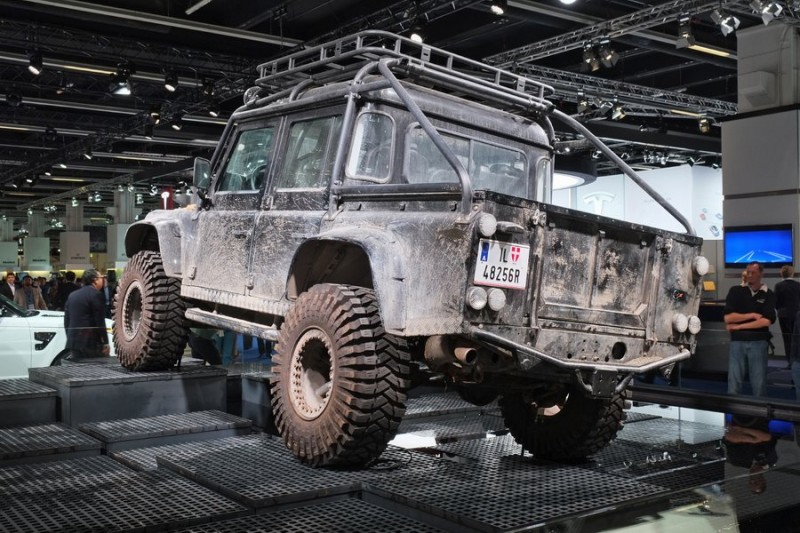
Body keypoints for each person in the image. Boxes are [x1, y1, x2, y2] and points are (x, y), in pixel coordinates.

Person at [724, 261, 777, 397]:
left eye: (753, 272)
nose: (750, 275)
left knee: (758, 382)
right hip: (737, 342)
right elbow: (728, 318)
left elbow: (766, 321)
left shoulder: (769, 294)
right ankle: (734, 410)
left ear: (761, 274)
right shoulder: (736, 291)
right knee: (734, 381)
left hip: (758, 342)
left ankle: (759, 414)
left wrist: (739, 326)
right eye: (748, 272)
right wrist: (752, 316)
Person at [63, 269, 110, 361]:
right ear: (95, 280)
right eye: (102, 277)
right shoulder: (96, 295)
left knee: (79, 372)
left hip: (74, 342)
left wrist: (70, 337)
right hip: (91, 342)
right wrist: (105, 342)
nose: (103, 280)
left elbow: (67, 320)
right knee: (97, 372)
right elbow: (99, 321)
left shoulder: (72, 295)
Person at [774, 265, 800, 368]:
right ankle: (797, 361)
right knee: (797, 339)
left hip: (783, 315)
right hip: (797, 315)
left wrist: (780, 309)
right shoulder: (798, 285)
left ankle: (790, 361)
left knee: (787, 339)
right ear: (792, 273)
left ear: (782, 274)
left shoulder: (778, 286)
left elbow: (776, 302)